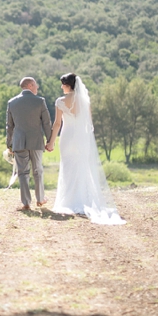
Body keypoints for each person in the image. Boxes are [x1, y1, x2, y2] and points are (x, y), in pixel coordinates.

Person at [46, 73, 126, 224]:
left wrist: (51, 142)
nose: (61, 87)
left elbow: (57, 124)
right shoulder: (84, 100)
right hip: (81, 137)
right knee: (82, 166)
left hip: (67, 136)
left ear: (67, 85)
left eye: (62, 84)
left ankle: (68, 200)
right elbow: (88, 123)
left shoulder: (60, 101)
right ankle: (83, 198)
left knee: (68, 167)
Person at [6, 77, 53, 211]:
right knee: (38, 170)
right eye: (36, 85)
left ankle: (26, 202)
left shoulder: (12, 102)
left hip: (19, 142)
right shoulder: (40, 101)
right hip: (36, 141)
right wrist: (50, 141)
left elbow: (9, 126)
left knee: (22, 172)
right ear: (30, 85)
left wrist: (9, 144)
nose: (37, 88)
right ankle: (40, 199)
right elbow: (46, 123)